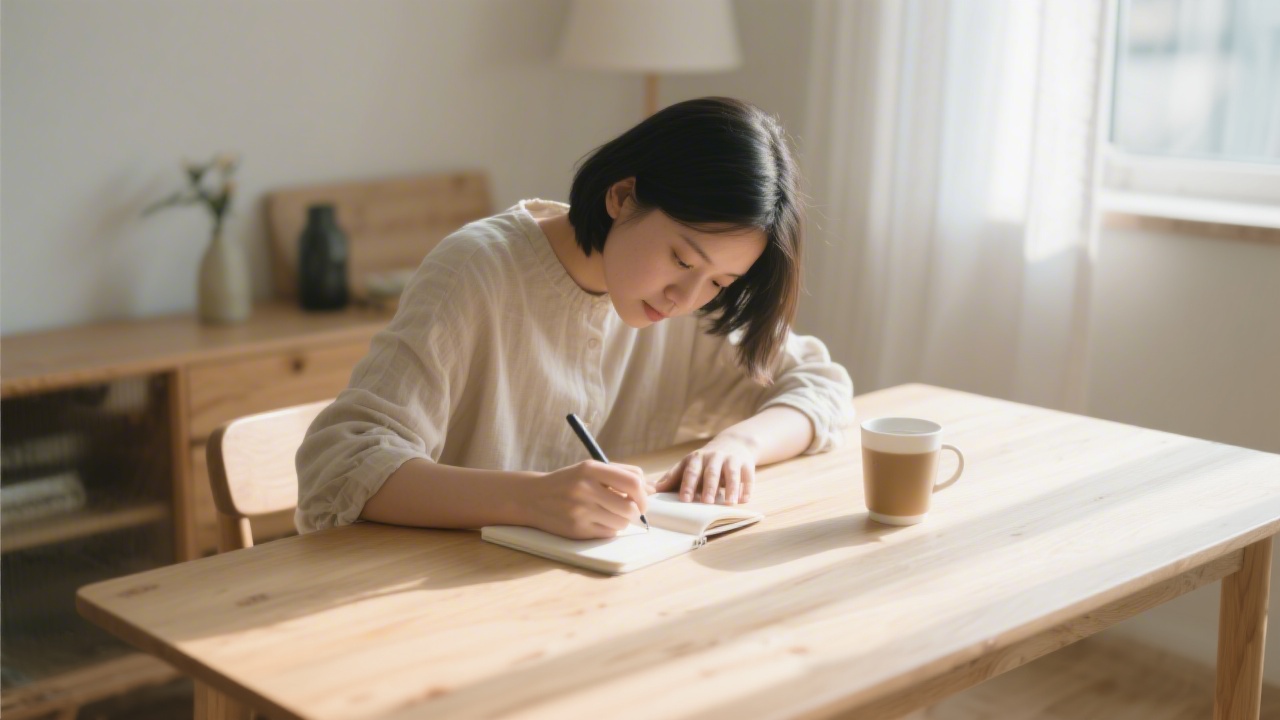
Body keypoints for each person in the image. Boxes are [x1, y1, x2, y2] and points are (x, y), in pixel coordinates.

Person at [296, 96, 855, 540]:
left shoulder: (682, 303)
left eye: (719, 282)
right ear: (621, 196)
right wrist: (530, 499)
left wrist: (740, 446)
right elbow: (341, 465)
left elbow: (819, 384)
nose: (686, 296)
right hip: (439, 600)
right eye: (683, 259)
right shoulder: (478, 269)